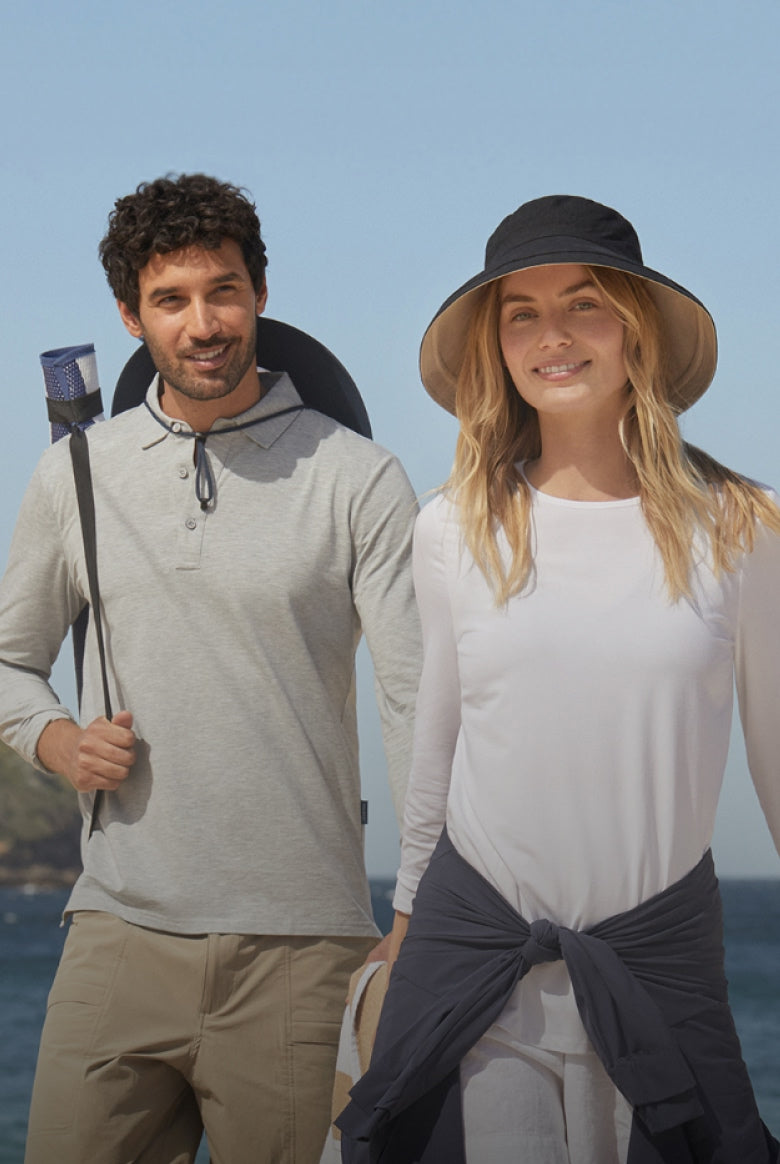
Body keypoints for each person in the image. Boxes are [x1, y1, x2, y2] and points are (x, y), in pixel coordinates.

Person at [336, 195, 780, 1163]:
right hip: (478, 955)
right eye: (522, 313)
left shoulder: (745, 527)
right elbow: (437, 743)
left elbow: (776, 759)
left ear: (635, 329)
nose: (553, 337)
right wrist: (405, 922)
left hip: (660, 966)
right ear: (496, 345)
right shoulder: (452, 528)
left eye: (584, 304)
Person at [0, 173, 421, 1164]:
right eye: (172, 300)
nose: (203, 323)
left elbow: (416, 702)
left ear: (260, 294)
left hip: (304, 949)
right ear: (131, 315)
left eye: (223, 291)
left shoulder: (358, 477)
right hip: (116, 936)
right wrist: (57, 740)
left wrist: (422, 907)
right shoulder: (75, 475)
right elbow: (10, 663)